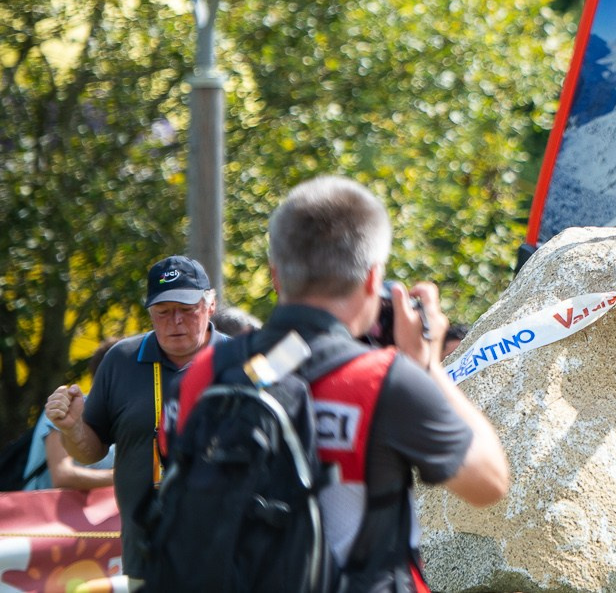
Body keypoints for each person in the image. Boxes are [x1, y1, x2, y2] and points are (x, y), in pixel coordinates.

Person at [169, 175, 508, 592]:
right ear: (371, 278)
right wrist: (428, 367)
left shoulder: (208, 373)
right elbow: (489, 482)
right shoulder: (384, 380)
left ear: (276, 274)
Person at [42, 257, 226, 575]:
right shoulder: (122, 361)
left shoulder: (241, 360)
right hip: (147, 555)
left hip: (230, 552)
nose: (175, 322)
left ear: (210, 305)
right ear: (149, 312)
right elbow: (90, 451)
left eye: (186, 309)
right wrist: (72, 429)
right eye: (163, 312)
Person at [22, 340, 119, 492]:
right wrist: (125, 477)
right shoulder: (68, 405)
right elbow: (62, 475)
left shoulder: (124, 418)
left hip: (96, 514)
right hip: (44, 514)